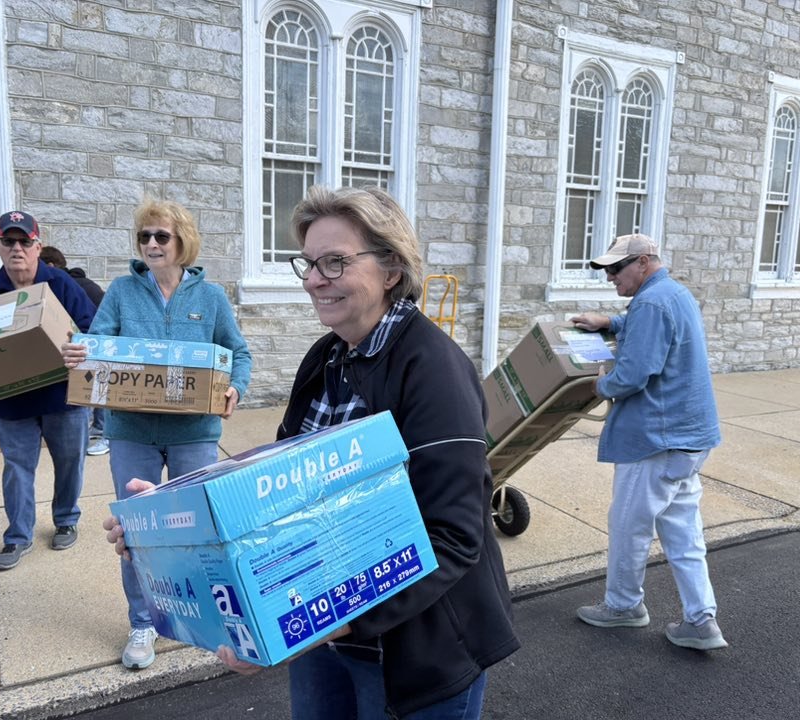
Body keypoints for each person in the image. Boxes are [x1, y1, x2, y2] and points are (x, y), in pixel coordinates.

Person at [105, 186, 520, 718]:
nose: (315, 280)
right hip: (329, 638)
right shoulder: (325, 357)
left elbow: (455, 538)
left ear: (391, 269)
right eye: (308, 263)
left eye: (335, 262)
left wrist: (308, 626)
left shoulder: (433, 370)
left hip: (418, 650)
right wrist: (169, 516)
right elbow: (277, 494)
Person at [62, 198, 252, 672]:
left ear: (182, 240)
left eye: (161, 236)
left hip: (194, 433)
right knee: (139, 533)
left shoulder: (210, 299)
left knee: (197, 529)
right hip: (133, 433)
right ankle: (143, 622)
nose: (151, 244)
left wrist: (235, 387)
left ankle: (205, 618)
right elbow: (98, 344)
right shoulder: (123, 292)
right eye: (144, 236)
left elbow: (239, 353)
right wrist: (80, 355)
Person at [570, 233, 726, 651]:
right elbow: (649, 327)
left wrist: (599, 385)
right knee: (683, 530)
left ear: (642, 262)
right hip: (689, 440)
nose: (610, 279)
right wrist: (610, 322)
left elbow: (634, 374)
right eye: (607, 271)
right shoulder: (672, 294)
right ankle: (701, 619)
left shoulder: (652, 304)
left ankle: (624, 606)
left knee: (628, 526)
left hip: (656, 439)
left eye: (616, 270)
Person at [0, 211, 95, 571]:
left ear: (38, 246)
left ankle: (66, 518)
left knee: (70, 461)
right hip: (12, 400)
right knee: (17, 468)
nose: (17, 249)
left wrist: (82, 347)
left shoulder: (60, 285)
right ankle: (17, 536)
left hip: (63, 398)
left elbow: (92, 330)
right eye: (8, 242)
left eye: (25, 241)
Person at [40, 245, 109, 455]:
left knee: (98, 386)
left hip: (99, 339)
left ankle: (104, 435)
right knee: (97, 386)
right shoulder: (81, 281)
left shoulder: (65, 285)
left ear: (51, 265)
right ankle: (99, 428)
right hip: (97, 337)